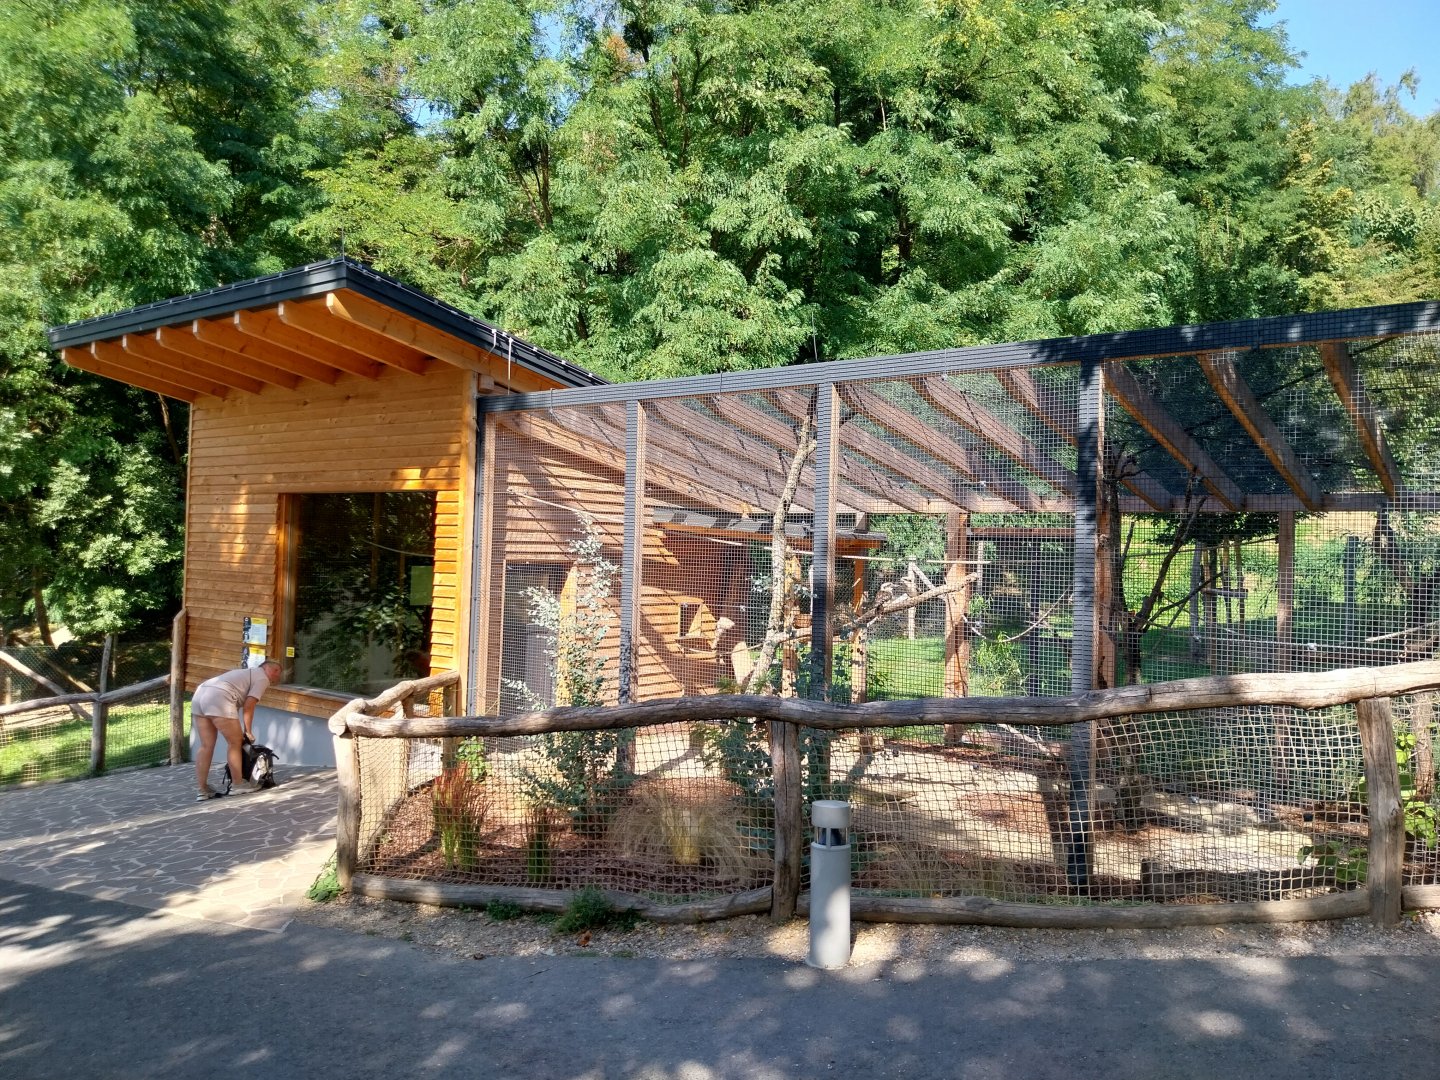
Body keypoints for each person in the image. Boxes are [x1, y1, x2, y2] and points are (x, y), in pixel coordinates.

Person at [192, 659, 282, 800]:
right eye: (278, 672)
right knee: (235, 742)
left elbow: (236, 706)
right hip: (219, 696)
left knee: (206, 745)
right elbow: (249, 705)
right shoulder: (263, 678)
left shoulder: (246, 674)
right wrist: (248, 731)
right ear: (272, 670)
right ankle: (237, 784)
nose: (278, 676)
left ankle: (202, 790)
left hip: (200, 693)